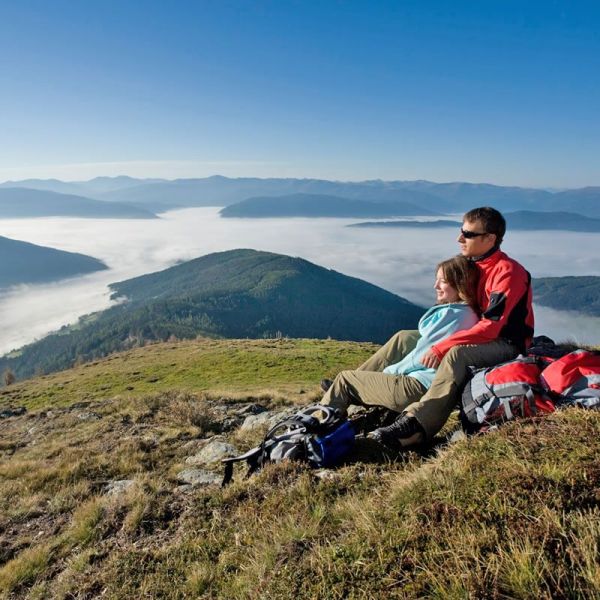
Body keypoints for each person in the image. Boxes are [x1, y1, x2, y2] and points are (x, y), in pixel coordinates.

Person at [370, 206, 534, 450]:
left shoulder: (508, 273)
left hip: (505, 342)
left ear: (490, 238)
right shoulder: (473, 264)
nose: (460, 238)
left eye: (468, 234)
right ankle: (366, 382)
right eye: (461, 231)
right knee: (406, 338)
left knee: (457, 353)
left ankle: (417, 425)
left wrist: (442, 346)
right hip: (482, 334)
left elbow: (491, 327)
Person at [320, 255, 479, 417]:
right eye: (436, 280)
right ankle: (359, 382)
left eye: (443, 281)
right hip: (433, 385)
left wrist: (387, 374)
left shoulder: (451, 316)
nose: (435, 286)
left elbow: (419, 358)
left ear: (461, 284)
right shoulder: (469, 313)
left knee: (344, 380)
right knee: (403, 337)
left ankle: (314, 426)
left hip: (416, 389)